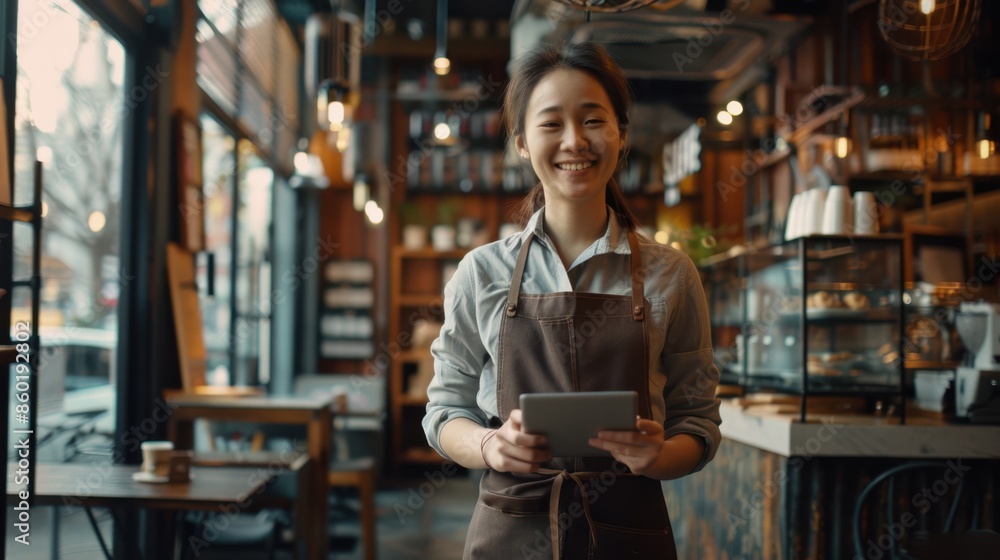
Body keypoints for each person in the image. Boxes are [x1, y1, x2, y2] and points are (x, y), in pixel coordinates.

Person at [422, 42, 722, 560]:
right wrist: (491, 445)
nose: (574, 141)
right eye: (551, 123)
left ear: (621, 135)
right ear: (521, 142)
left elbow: (697, 422)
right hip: (510, 532)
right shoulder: (482, 272)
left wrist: (659, 455)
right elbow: (444, 411)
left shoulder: (671, 274)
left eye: (592, 120)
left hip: (629, 535)